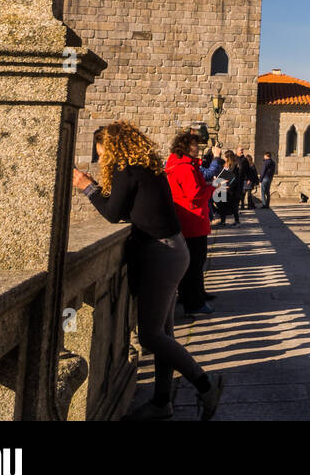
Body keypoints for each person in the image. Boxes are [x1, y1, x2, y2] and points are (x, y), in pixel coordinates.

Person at [73, 122, 225, 420]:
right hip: (173, 249)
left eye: (102, 153)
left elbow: (112, 213)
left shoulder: (126, 169)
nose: (101, 159)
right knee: (164, 333)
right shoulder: (143, 168)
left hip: (161, 254)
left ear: (114, 149)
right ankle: (161, 401)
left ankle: (206, 385)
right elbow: (125, 206)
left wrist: (86, 187)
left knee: (151, 336)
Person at [166, 130, 217, 317]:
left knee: (193, 262)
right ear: (186, 147)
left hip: (186, 219)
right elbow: (194, 195)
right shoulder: (185, 167)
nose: (198, 148)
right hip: (192, 220)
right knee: (195, 262)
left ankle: (197, 295)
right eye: (195, 145)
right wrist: (213, 188)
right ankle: (194, 302)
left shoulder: (179, 164)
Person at [214, 148, 245, 224]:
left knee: (233, 205)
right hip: (224, 187)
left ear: (228, 157)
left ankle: (236, 220)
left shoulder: (234, 166)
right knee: (223, 205)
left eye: (225, 156)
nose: (224, 158)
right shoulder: (225, 165)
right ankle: (223, 221)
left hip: (232, 189)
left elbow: (235, 178)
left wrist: (229, 186)